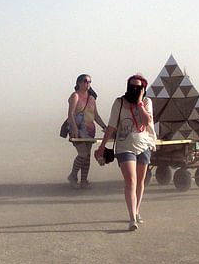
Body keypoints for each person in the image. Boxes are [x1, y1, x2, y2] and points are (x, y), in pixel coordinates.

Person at [95, 74, 156, 231]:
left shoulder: (147, 102)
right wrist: (102, 146)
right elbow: (111, 126)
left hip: (143, 145)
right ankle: (132, 218)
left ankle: (136, 210)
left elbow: (147, 121)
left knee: (141, 181)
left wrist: (140, 102)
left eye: (139, 87)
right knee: (131, 180)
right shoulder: (119, 103)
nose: (134, 89)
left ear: (143, 89)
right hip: (124, 146)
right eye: (132, 86)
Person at [67, 74, 106, 189]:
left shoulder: (91, 98)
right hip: (78, 129)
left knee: (87, 156)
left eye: (89, 81)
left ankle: (84, 180)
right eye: (85, 81)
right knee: (82, 154)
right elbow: (71, 114)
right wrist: (74, 128)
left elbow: (96, 116)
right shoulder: (75, 96)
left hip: (90, 130)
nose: (88, 83)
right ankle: (73, 176)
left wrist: (105, 127)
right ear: (79, 83)